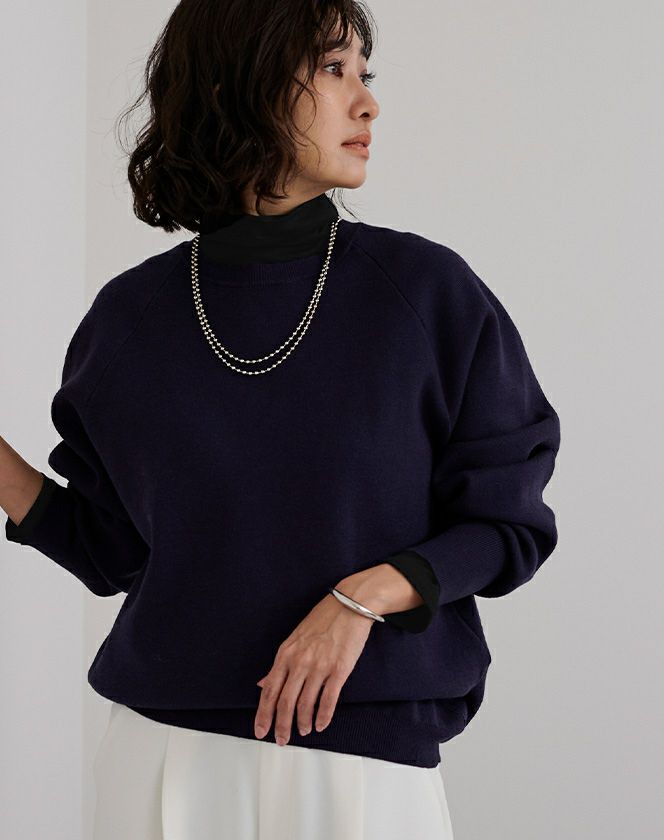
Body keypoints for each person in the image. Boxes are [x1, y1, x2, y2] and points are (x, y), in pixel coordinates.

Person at [1, 2, 561, 838]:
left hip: (361, 771)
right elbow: (111, 549)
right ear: (240, 83)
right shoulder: (129, 320)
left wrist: (362, 597)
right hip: (162, 758)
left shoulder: (427, 296)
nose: (367, 102)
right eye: (333, 69)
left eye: (364, 72)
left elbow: (506, 525)